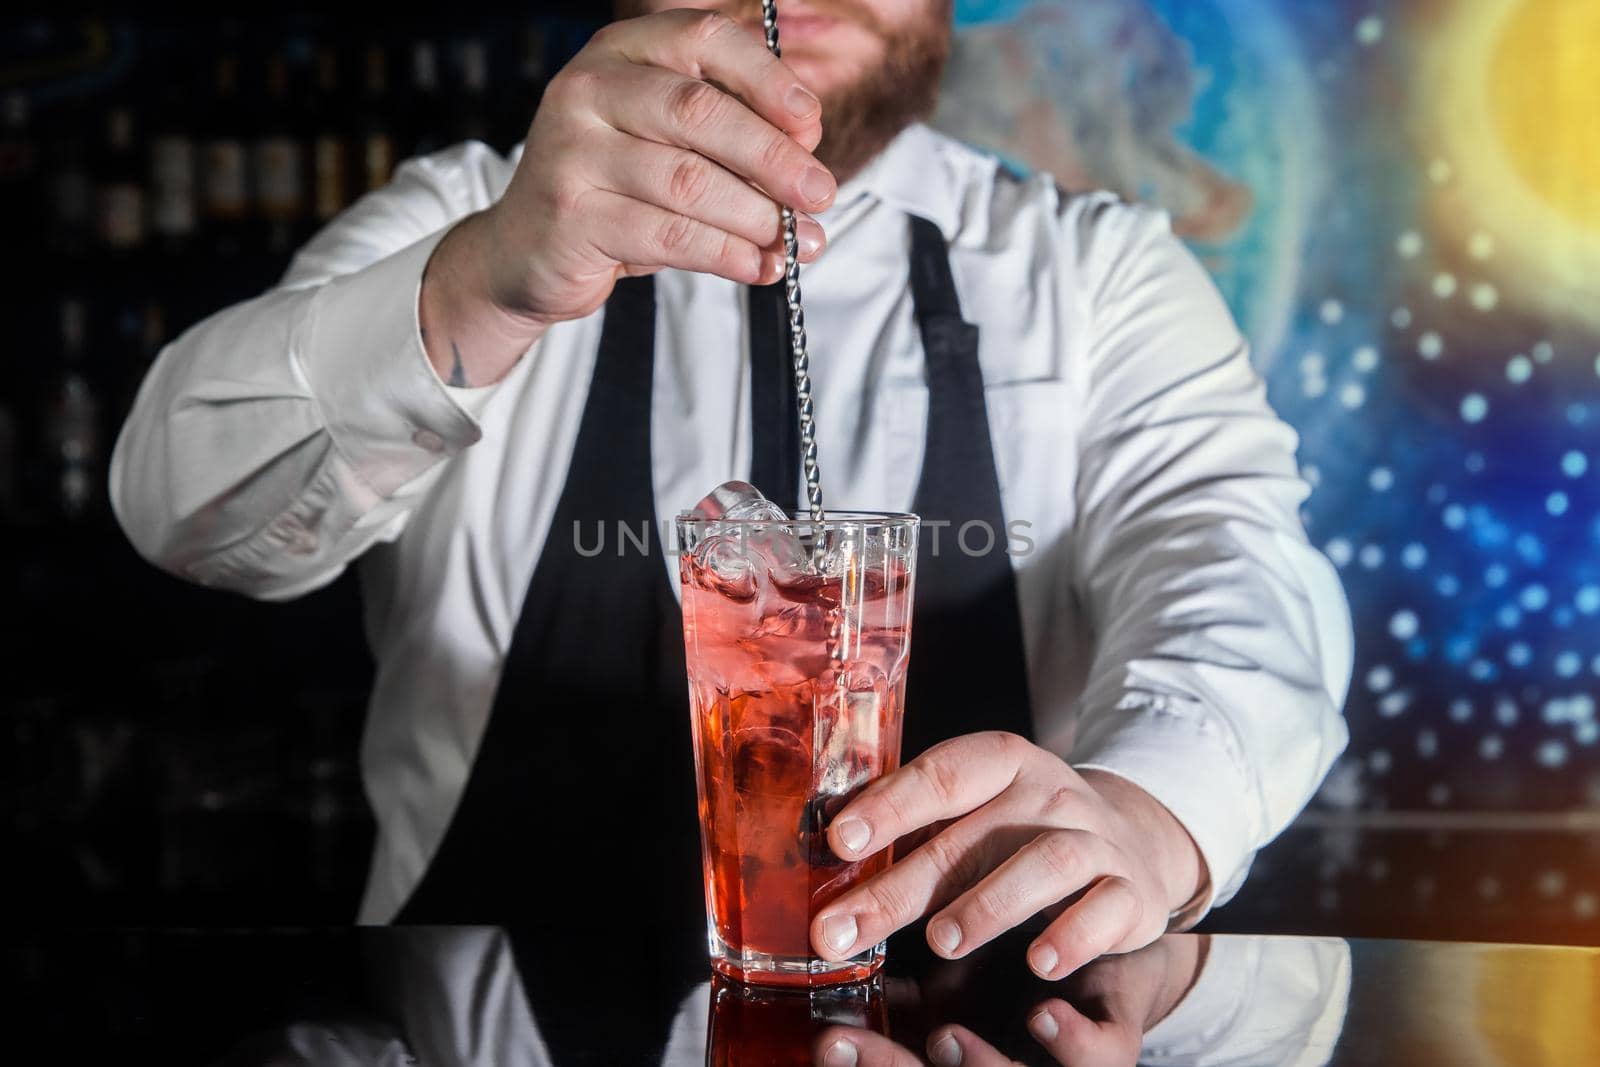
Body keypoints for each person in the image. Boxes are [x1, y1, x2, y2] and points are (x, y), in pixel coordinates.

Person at [112, 0, 1352, 990]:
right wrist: (484, 280)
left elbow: (1236, 567)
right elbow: (184, 511)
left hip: (985, 1023)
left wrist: (1147, 808)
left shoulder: (1095, 273)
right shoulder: (460, 217)